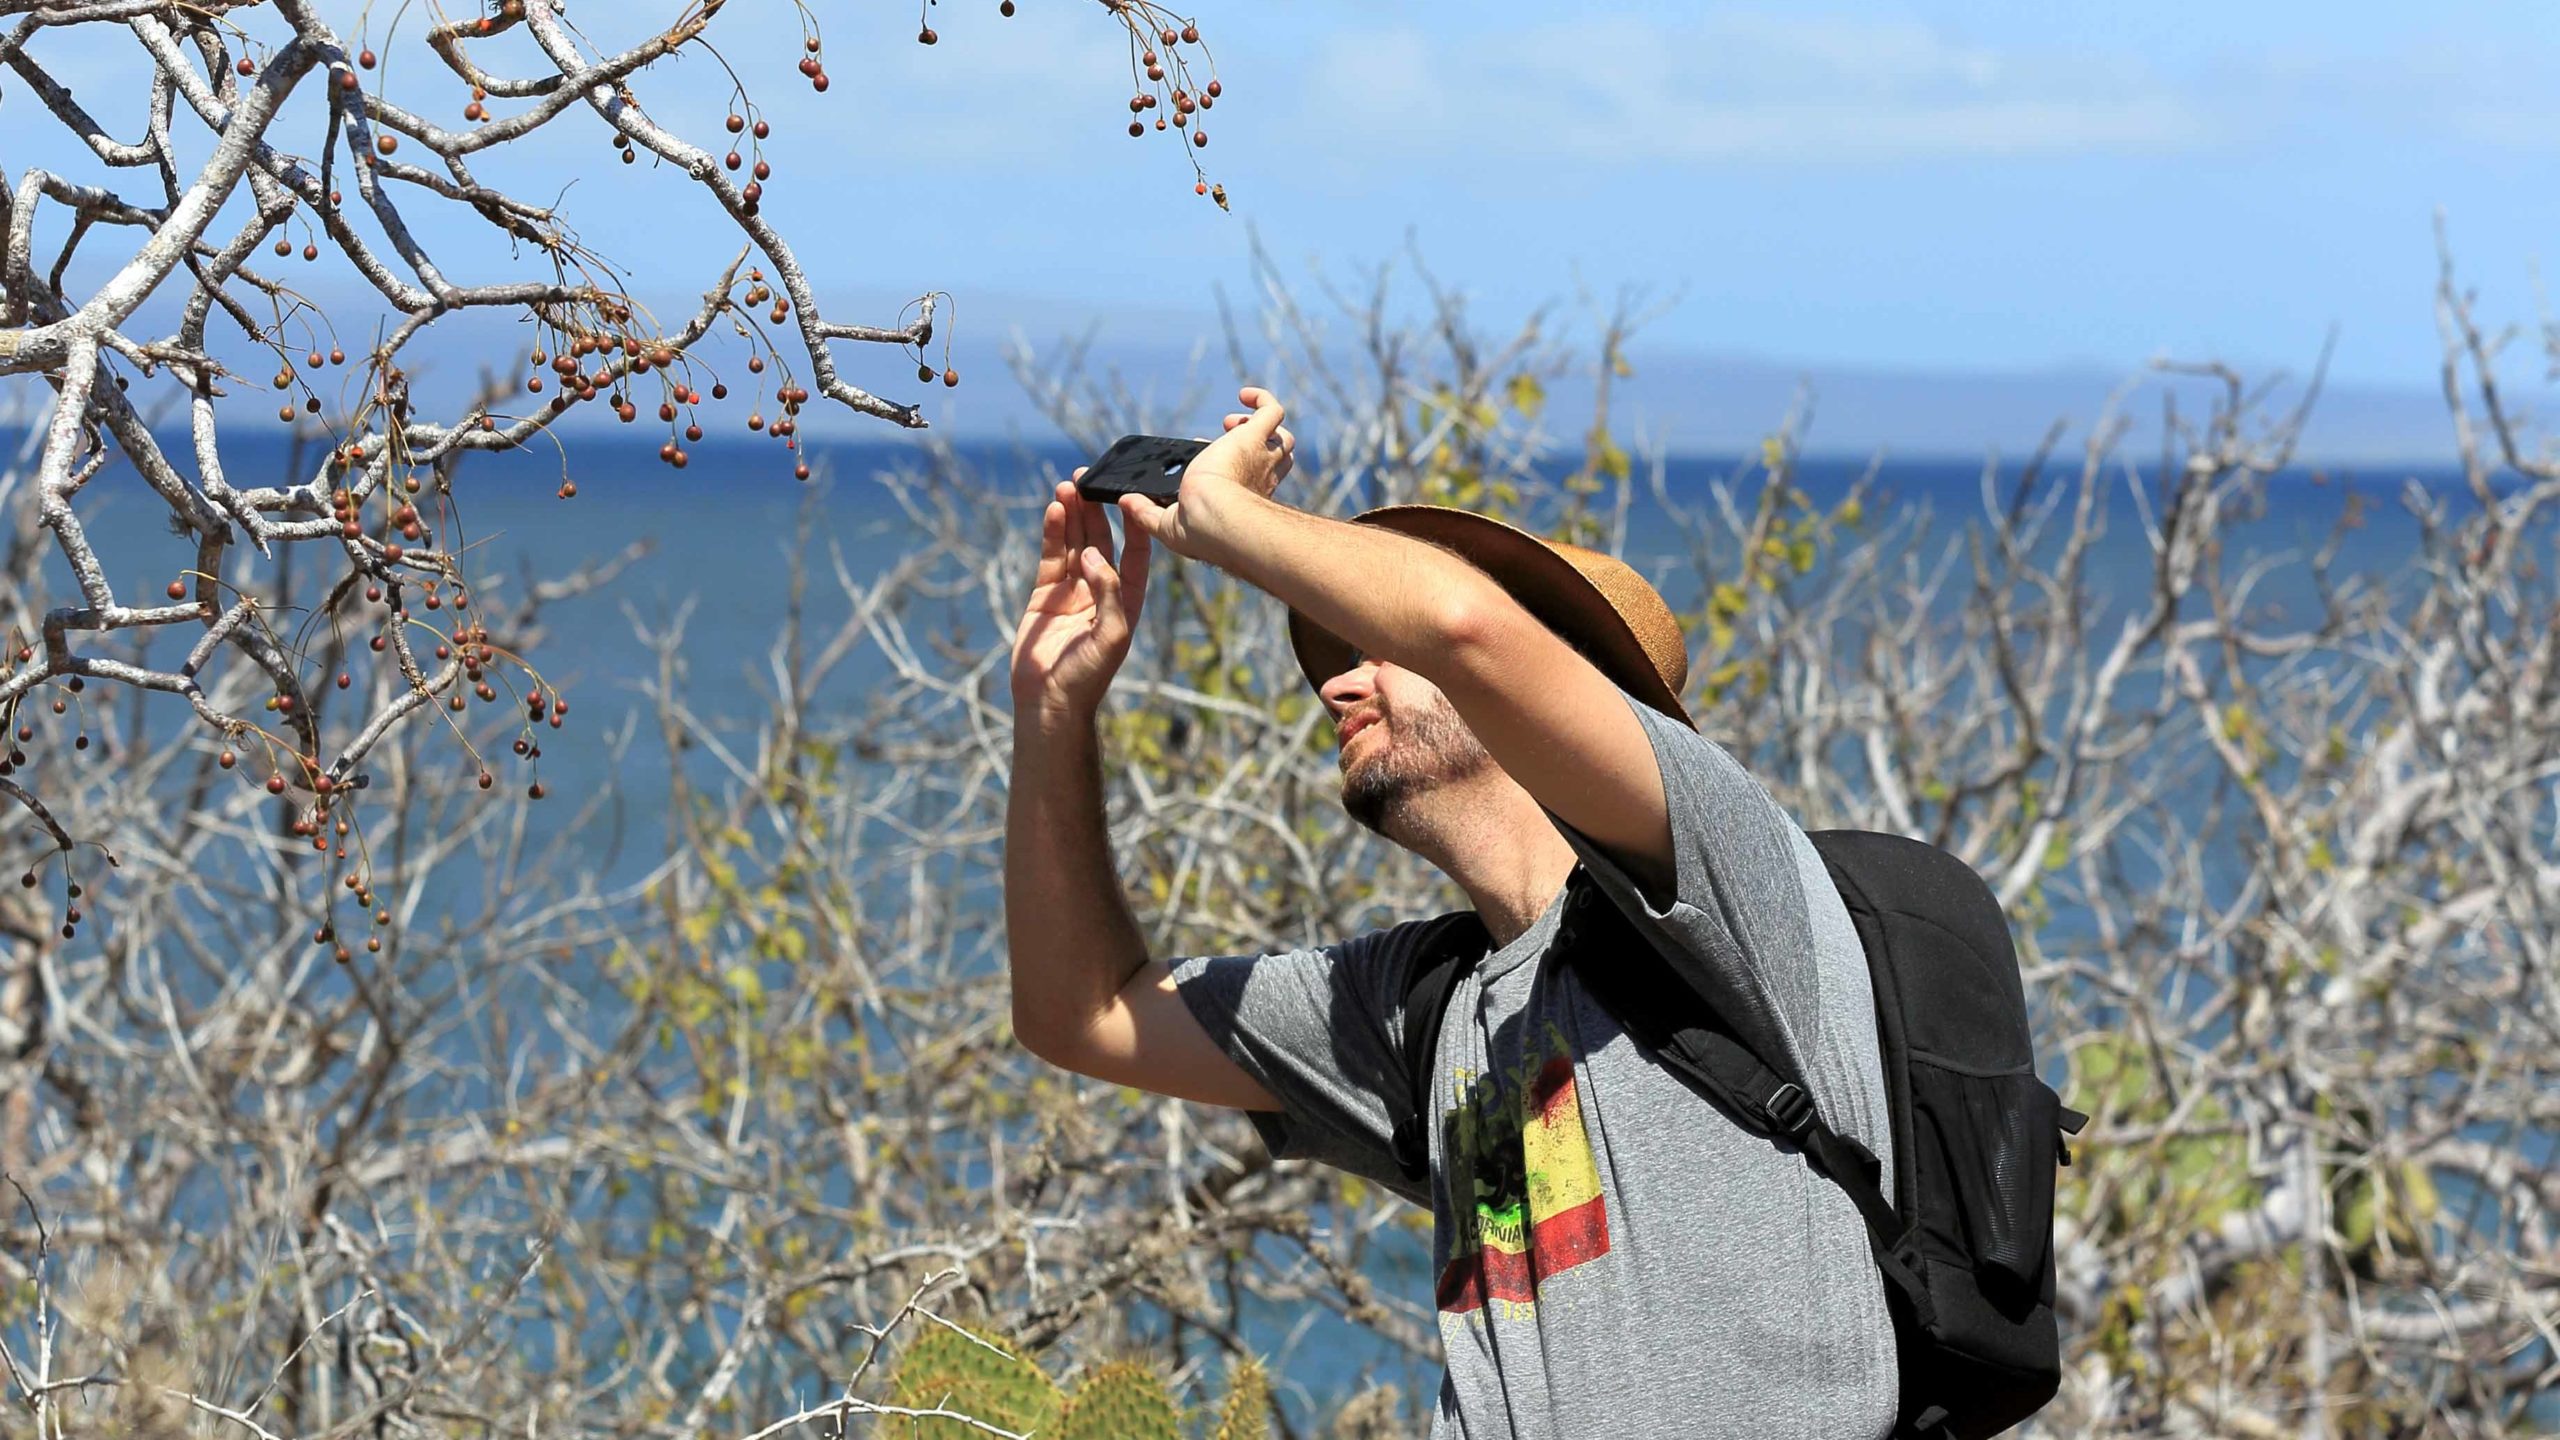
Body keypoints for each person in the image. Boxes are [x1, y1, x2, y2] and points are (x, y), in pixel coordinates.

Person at [1004, 385, 1897, 1438]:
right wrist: (1053, 710)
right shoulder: (1419, 1008)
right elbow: (1082, 1013)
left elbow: (1468, 626)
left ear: (1559, 681)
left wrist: (1233, 516)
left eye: (1374, 651)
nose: (1338, 690)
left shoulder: (1719, 868)